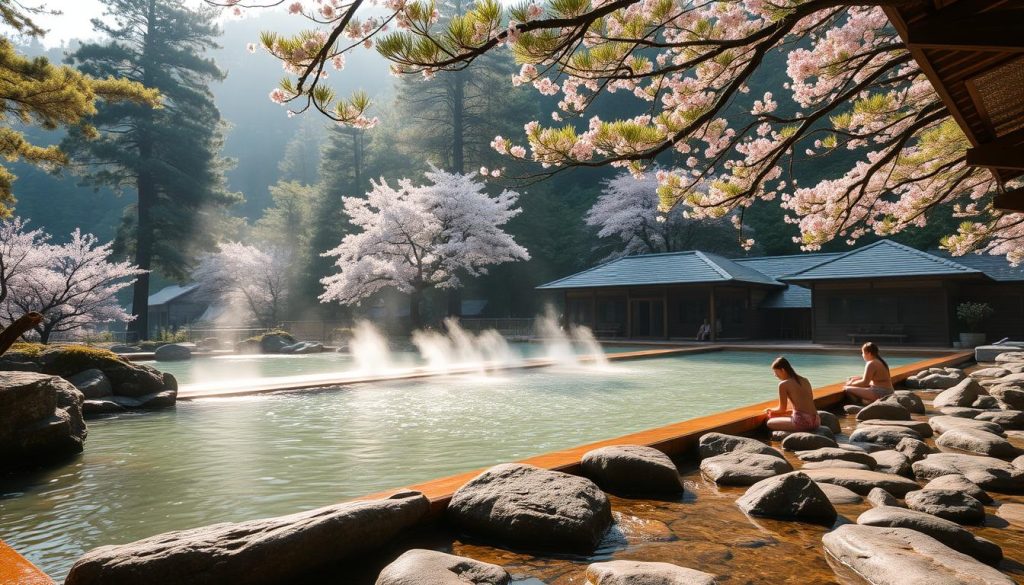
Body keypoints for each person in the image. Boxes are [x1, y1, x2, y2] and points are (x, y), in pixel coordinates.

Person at [765, 356, 820, 432]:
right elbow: (808, 401)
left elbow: (782, 409)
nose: (775, 375)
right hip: (817, 421)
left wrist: (770, 410)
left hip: (803, 423)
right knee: (787, 415)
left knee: (769, 423)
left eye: (775, 372)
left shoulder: (783, 384)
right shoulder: (805, 380)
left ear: (783, 370)